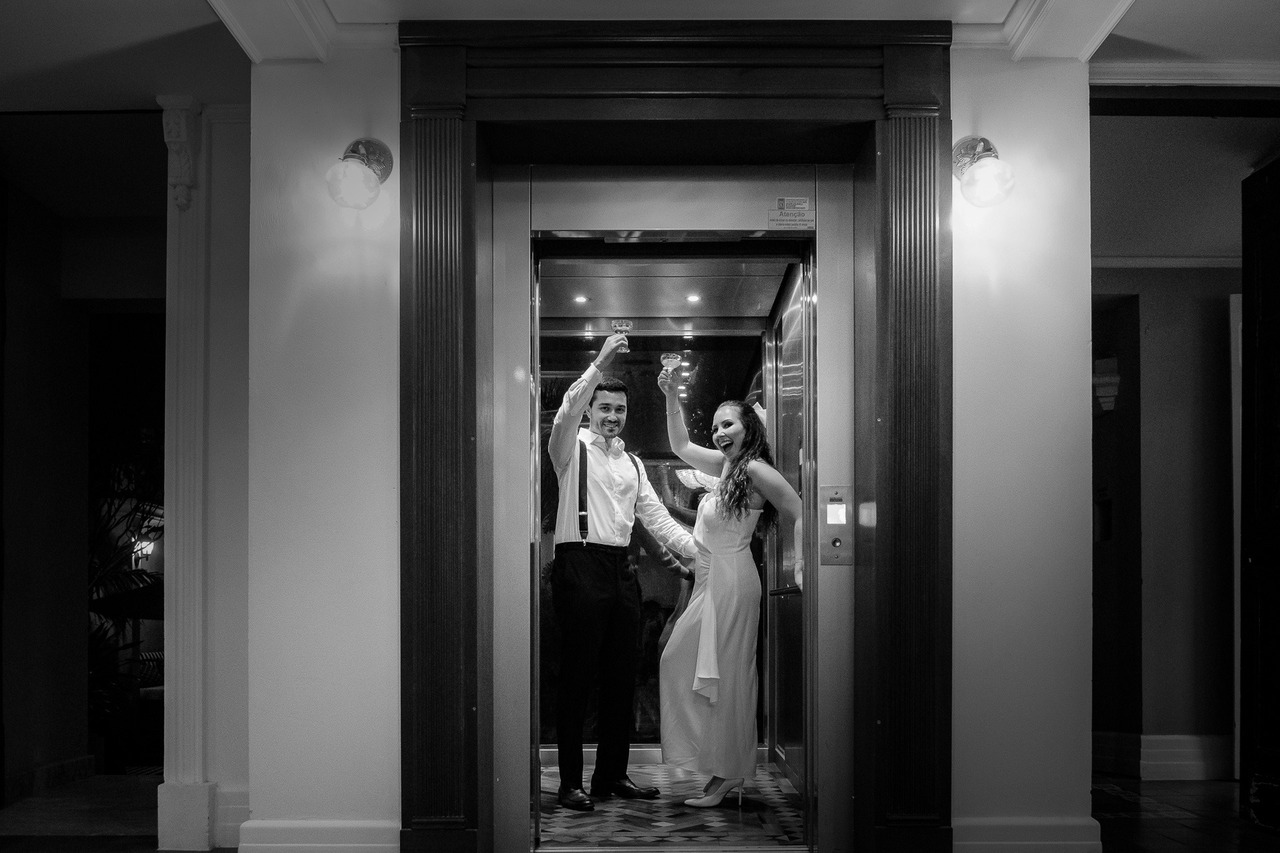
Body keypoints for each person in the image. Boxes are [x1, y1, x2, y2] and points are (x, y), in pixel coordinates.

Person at [547, 332, 697, 812]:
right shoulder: (569, 449)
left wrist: (703, 552)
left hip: (621, 569)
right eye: (605, 408)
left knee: (622, 676)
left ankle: (611, 776)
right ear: (591, 410)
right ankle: (570, 782)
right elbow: (566, 411)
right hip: (579, 564)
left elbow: (657, 519)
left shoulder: (632, 462)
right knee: (576, 678)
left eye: (620, 409)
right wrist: (600, 362)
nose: (613, 416)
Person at [656, 368, 803, 808]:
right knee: (677, 660)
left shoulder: (754, 468)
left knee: (732, 676)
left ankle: (729, 770)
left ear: (748, 428)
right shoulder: (728, 467)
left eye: (728, 425)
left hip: (734, 580)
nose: (720, 433)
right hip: (708, 579)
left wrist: (798, 562)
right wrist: (671, 395)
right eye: (716, 426)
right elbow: (680, 446)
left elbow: (799, 509)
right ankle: (716, 760)